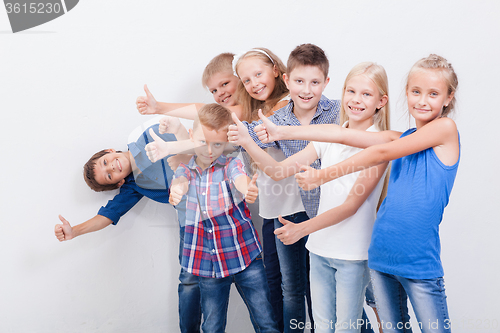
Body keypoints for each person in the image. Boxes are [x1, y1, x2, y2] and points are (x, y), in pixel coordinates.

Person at [271, 54, 459, 333]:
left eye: (433, 93)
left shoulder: (445, 129)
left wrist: (322, 175)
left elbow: (379, 152)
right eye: (415, 91)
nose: (422, 100)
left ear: (448, 98)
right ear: (406, 93)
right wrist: (282, 132)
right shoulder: (401, 136)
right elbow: (341, 134)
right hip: (382, 255)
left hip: (418, 260)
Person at [230, 62, 390, 333]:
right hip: (319, 251)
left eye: (366, 94)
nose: (356, 100)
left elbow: (351, 206)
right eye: (351, 91)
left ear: (381, 101)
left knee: (346, 328)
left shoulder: (381, 142)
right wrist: (247, 142)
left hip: (352, 254)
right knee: (324, 328)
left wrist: (302, 228)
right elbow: (279, 171)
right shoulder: (330, 136)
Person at [54, 118, 203, 333]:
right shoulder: (134, 185)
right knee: (189, 281)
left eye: (106, 162)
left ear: (109, 150)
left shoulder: (146, 137)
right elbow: (107, 215)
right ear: (118, 183)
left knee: (243, 272)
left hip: (220, 197)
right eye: (109, 176)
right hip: (192, 221)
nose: (112, 167)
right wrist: (74, 231)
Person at [231, 43, 340, 333]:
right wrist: (245, 138)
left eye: (314, 82)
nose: (306, 89)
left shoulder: (338, 112)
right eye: (300, 82)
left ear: (325, 83)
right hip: (289, 213)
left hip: (331, 211)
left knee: (326, 285)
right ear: (288, 80)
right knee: (291, 286)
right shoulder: (274, 120)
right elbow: (267, 157)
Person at [146, 103, 280, 333]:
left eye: (217, 144)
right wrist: (177, 189)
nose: (209, 150)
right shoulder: (185, 169)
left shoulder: (231, 163)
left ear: (226, 142)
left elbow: (239, 177)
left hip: (245, 258)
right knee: (213, 325)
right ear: (190, 136)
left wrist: (247, 188)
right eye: (202, 142)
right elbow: (181, 180)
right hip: (209, 267)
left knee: (266, 320)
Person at [234, 47, 304, 331]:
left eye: (258, 74)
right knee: (273, 280)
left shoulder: (290, 103)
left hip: (297, 207)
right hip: (271, 209)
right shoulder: (257, 113)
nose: (254, 84)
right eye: (246, 80)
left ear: (276, 70)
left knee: (296, 286)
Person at [136, 52, 243, 120]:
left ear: (241, 77)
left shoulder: (246, 109)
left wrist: (159, 107)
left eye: (224, 84)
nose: (220, 93)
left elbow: (205, 111)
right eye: (214, 91)